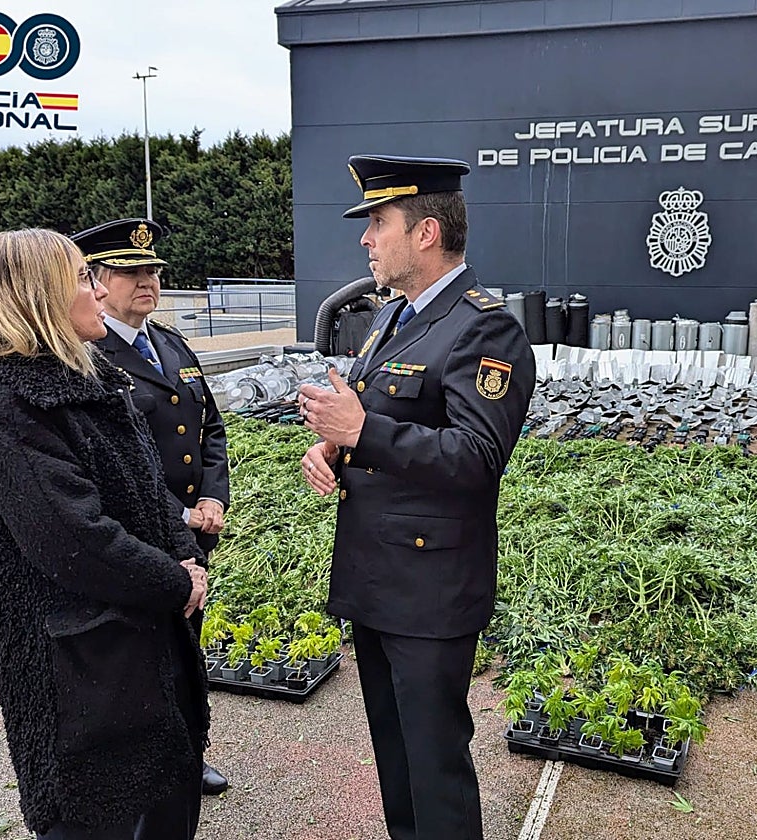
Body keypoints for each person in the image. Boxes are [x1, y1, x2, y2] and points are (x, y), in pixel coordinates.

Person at [299, 154, 535, 840]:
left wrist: (362, 431)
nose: (366, 238)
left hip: (430, 591)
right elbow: (384, 429)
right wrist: (335, 451)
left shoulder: (486, 329)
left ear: (426, 233)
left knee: (434, 771)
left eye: (378, 222)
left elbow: (477, 457)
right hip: (379, 578)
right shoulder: (392, 319)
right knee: (397, 763)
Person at [0, 228, 209, 839]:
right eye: (80, 278)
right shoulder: (12, 408)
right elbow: (75, 541)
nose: (97, 291)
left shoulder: (94, 382)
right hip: (82, 672)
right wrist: (174, 579)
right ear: (38, 297)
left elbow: (151, 489)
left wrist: (185, 554)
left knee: (166, 804)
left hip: (142, 649)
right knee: (96, 817)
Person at [69, 217, 231, 796]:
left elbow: (210, 426)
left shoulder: (171, 343)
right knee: (142, 656)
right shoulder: (89, 356)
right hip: (140, 531)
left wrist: (212, 495)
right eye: (131, 272)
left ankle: (190, 753)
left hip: (194, 531)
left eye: (153, 271)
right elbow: (109, 464)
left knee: (188, 650)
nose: (147, 281)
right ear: (97, 280)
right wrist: (177, 514)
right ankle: (152, 766)